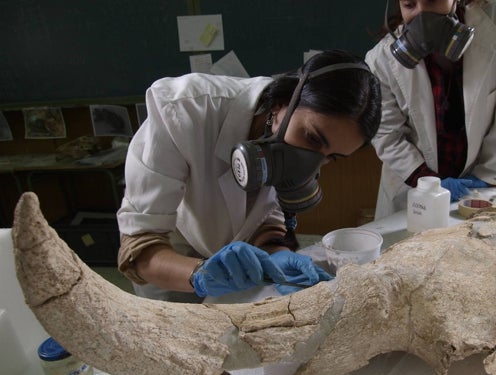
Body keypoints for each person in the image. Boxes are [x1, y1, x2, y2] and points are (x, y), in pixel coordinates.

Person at [116, 49, 382, 303]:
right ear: (281, 104)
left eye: (330, 157)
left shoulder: (295, 139)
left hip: (234, 252)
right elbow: (138, 249)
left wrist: (276, 251)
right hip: (170, 251)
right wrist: (201, 275)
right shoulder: (184, 110)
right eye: (312, 138)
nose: (310, 165)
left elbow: (268, 217)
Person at [365, 0, 496, 219]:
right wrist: (428, 181)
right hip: (414, 189)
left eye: (432, 1)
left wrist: (489, 173)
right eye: (409, 5)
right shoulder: (381, 60)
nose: (423, 16)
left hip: (478, 184)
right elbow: (386, 135)